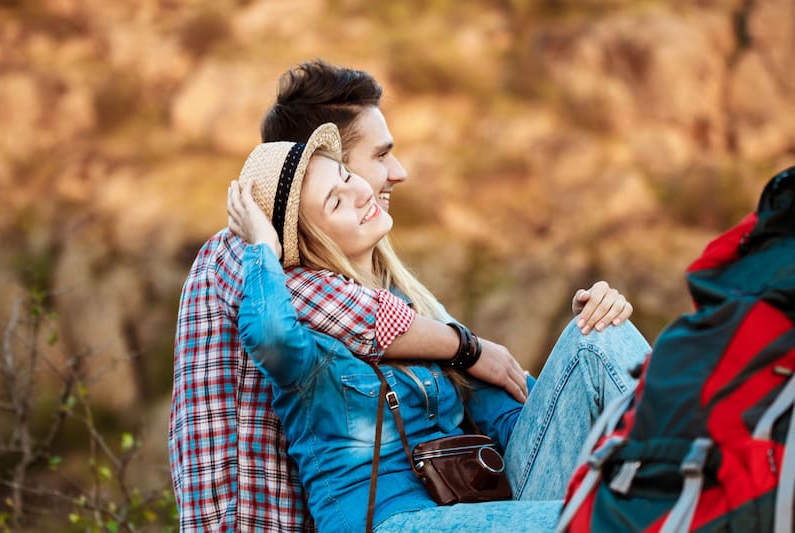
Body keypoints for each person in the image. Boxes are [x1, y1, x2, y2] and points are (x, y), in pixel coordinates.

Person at [169, 60, 634, 532]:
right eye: (379, 156)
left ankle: (695, 480)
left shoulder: (401, 301)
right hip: (306, 522)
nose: (398, 172)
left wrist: (576, 369)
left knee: (598, 336)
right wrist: (466, 346)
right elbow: (291, 326)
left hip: (453, 510)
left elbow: (507, 407)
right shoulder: (248, 261)